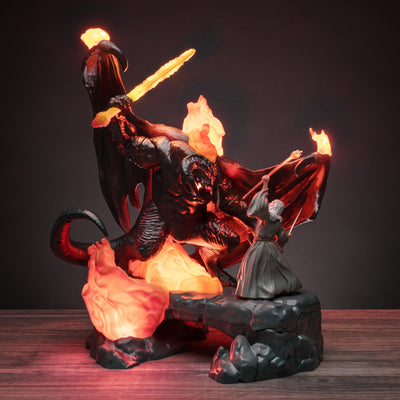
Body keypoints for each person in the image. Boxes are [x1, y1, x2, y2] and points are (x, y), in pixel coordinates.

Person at [235, 175, 302, 299]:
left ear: (274, 207)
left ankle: (259, 292)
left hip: (259, 246)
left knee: (254, 269)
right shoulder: (277, 222)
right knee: (274, 270)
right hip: (271, 247)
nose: (270, 203)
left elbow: (261, 206)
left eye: (272, 203)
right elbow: (282, 236)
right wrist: (284, 239)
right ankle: (279, 287)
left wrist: (265, 185)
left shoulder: (266, 217)